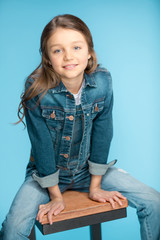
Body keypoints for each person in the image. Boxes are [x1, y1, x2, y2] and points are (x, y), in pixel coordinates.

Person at [0, 14, 160, 240]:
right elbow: (42, 146)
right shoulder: (36, 88)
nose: (68, 57)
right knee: (12, 229)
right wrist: (55, 196)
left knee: (154, 202)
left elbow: (103, 134)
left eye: (76, 47)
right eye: (58, 50)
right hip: (47, 176)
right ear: (48, 58)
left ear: (89, 52)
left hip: (89, 171)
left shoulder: (103, 82)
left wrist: (95, 186)